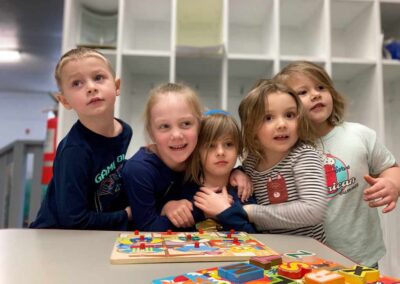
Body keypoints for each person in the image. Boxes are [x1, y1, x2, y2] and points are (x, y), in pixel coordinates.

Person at [274, 60, 400, 267]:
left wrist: (392, 184)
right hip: (307, 260)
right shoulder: (283, 149)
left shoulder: (359, 134)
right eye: (303, 92)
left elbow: (391, 168)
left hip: (361, 256)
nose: (315, 94)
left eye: (321, 87)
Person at [195, 80, 328, 242]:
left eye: (290, 115)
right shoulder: (251, 163)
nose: (282, 124)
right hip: (269, 251)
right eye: (269, 118)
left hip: (308, 253)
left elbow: (313, 211)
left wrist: (248, 211)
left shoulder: (304, 156)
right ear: (251, 128)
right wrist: (238, 172)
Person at [122, 83, 252, 232]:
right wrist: (200, 211)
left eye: (185, 123)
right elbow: (146, 228)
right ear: (151, 133)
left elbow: (220, 135)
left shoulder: (193, 154)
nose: (177, 135)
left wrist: (237, 171)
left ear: (199, 125)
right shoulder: (139, 169)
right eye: (164, 126)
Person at [30, 47, 133, 230]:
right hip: (56, 236)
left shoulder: (124, 131)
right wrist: (125, 215)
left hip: (92, 233)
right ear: (65, 101)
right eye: (77, 83)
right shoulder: (75, 151)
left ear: (116, 86)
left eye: (98, 78)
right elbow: (73, 220)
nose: (91, 88)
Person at [184, 110, 256, 232]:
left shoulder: (244, 191)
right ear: (197, 152)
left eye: (228, 144)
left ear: (238, 149)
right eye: (211, 146)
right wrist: (202, 211)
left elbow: (257, 237)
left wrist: (225, 212)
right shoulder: (183, 189)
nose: (221, 152)